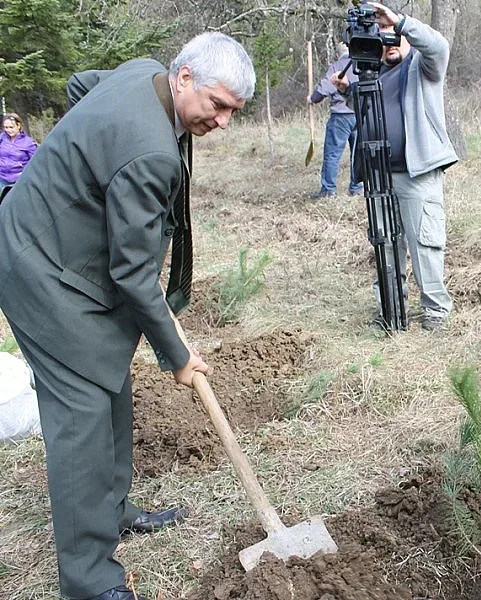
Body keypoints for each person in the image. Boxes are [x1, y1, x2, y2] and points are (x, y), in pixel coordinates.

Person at [0, 33, 255, 600]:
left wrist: (87, 159)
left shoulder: (144, 72)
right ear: (184, 77)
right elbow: (135, 276)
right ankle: (90, 580)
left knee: (111, 384)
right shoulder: (151, 153)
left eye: (234, 112)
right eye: (217, 106)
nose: (222, 123)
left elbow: (80, 87)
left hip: (67, 258)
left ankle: (112, 509)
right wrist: (179, 357)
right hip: (38, 268)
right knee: (81, 416)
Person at [334, 1, 457, 331]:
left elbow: (439, 45)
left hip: (416, 174)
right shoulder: (371, 75)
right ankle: (389, 311)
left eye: (393, 36)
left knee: (425, 246)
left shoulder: (422, 66)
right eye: (381, 36)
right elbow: (369, 115)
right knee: (385, 242)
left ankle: (436, 315)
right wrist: (349, 93)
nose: (388, 43)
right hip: (380, 175)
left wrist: (399, 21)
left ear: (405, 36)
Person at [308, 43, 362, 199]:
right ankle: (357, 187)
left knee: (332, 155)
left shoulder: (337, 67)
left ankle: (328, 191)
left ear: (339, 53)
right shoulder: (361, 65)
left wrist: (312, 99)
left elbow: (323, 90)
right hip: (359, 115)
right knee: (357, 154)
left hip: (340, 118)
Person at [0, 112, 38, 187]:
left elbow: (36, 162)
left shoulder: (29, 143)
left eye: (11, 127)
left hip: (19, 181)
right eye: (6, 127)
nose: (8, 130)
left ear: (19, 126)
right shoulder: (1, 138)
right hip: (2, 179)